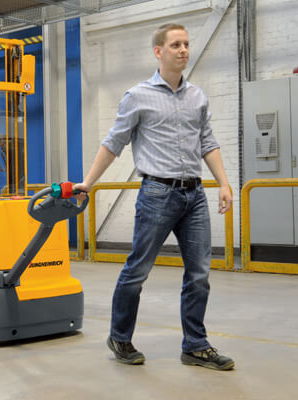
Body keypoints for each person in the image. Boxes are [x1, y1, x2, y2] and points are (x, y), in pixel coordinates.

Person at [73, 23, 235, 371]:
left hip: (194, 195)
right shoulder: (138, 95)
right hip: (158, 193)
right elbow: (113, 142)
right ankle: (120, 336)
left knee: (199, 274)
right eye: (175, 44)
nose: (183, 50)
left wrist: (223, 183)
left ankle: (195, 345)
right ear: (158, 51)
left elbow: (208, 142)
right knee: (138, 269)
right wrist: (87, 182)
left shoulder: (198, 97)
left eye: (187, 44)